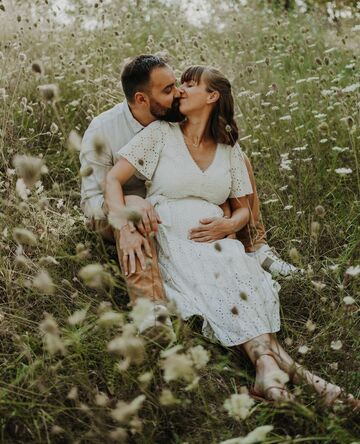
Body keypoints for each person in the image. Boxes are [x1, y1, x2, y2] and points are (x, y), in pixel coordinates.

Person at [104, 64, 358, 406]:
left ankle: (269, 370)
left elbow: (242, 209)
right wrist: (123, 222)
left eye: (189, 85)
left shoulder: (230, 149)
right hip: (176, 236)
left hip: (219, 237)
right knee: (220, 286)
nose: (180, 90)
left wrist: (229, 226)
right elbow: (113, 180)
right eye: (178, 85)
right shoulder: (160, 134)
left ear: (212, 97)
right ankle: (296, 374)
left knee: (240, 281)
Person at [80, 55, 298, 332]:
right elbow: (91, 203)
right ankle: (151, 310)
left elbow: (198, 175)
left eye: (178, 85)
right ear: (142, 99)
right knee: (138, 219)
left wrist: (229, 217)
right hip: (120, 209)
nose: (179, 92)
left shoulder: (174, 116)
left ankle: (255, 245)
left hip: (169, 205)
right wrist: (128, 209)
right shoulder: (103, 130)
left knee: (238, 159)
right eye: (169, 90)